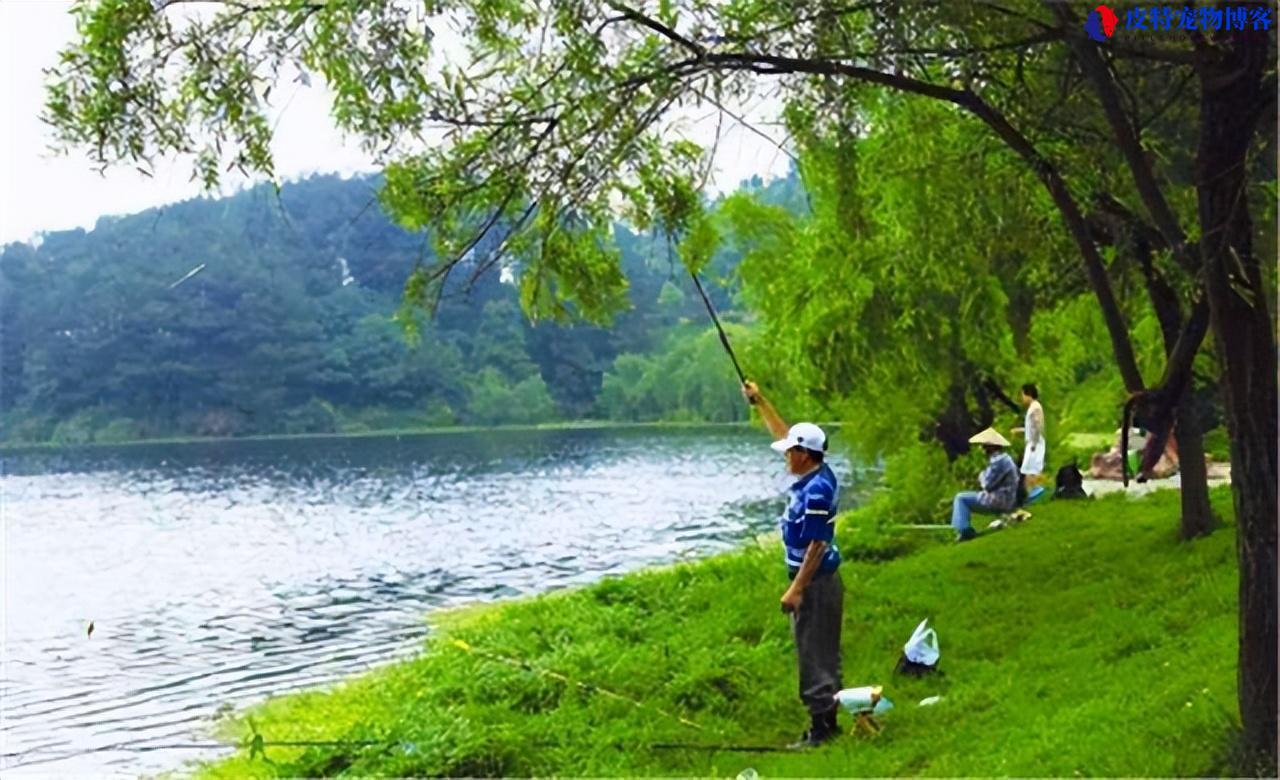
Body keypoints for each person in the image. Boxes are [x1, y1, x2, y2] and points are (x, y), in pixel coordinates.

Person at [741, 381, 843, 749]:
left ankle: (822, 730)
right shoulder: (814, 470)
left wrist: (796, 588)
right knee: (824, 650)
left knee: (813, 654)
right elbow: (785, 434)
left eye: (790, 452)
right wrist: (761, 402)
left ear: (804, 455)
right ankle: (829, 719)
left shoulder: (816, 491)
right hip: (820, 581)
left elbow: (818, 544)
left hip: (815, 583)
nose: (785, 456)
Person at [950, 427, 1019, 542]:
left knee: (960, 498)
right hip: (1007, 498)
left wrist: (981, 475)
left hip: (999, 500)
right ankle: (962, 529)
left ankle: (963, 530)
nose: (982, 448)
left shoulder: (998, 462)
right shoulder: (1005, 459)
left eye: (984, 446)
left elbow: (986, 484)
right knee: (964, 497)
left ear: (990, 447)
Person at [1010, 383, 1046, 490]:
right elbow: (1031, 428)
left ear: (1028, 394)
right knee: (1028, 469)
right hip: (1032, 442)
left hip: (1035, 443)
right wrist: (1019, 430)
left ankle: (1034, 492)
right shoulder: (1033, 407)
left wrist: (1034, 443)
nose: (1022, 398)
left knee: (1031, 470)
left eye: (1023, 395)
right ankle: (1030, 492)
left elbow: (1038, 426)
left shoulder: (1036, 407)